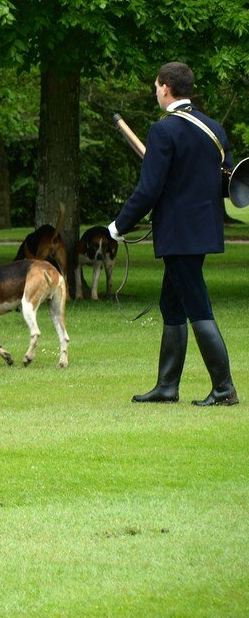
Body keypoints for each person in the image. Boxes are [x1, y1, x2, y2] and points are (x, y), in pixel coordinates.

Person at [109, 61, 238, 406]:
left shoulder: (163, 131)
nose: (156, 93)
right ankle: (167, 386)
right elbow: (222, 183)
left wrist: (118, 226)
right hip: (202, 229)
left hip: (179, 234)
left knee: (198, 305)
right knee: (173, 304)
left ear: (166, 87)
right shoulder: (214, 129)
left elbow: (149, 190)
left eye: (156, 87)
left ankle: (224, 389)